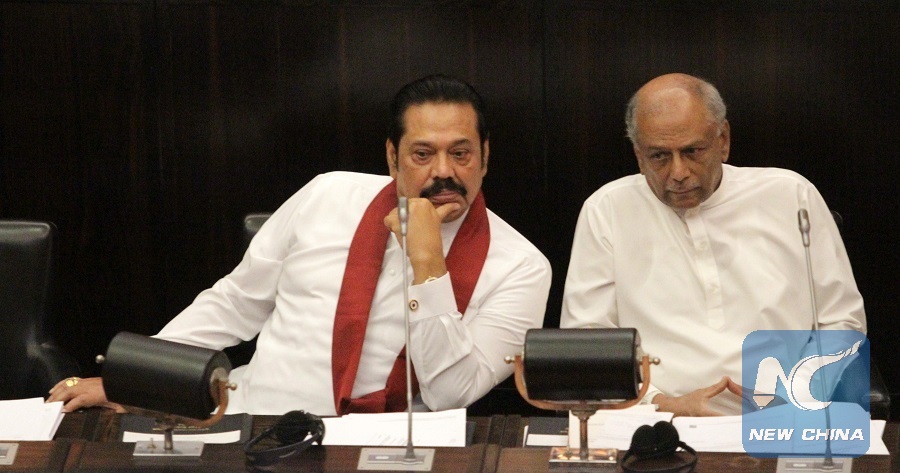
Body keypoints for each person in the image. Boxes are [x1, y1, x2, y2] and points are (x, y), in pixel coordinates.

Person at [49, 74, 552, 416]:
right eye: (423, 154)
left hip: (390, 446)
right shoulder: (327, 194)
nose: (444, 171)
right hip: (253, 417)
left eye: (461, 153)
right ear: (392, 158)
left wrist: (428, 265)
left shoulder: (522, 267)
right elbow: (236, 302)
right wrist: (138, 378)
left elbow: (450, 393)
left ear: (485, 156)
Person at [560, 73, 866, 417]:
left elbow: (841, 320)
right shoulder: (607, 209)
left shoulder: (791, 195)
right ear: (638, 155)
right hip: (657, 419)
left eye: (692, 151)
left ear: (723, 140)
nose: (678, 172)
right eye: (659, 156)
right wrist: (662, 405)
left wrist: (799, 394)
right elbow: (588, 341)